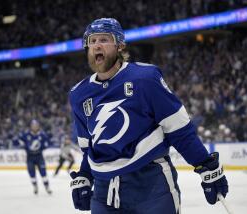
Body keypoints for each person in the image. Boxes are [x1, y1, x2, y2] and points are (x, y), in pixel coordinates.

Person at [69, 18, 228, 213]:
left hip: (151, 185)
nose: (96, 46)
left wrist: (205, 165)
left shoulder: (145, 78)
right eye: (92, 41)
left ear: (120, 45)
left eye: (103, 39)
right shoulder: (78, 94)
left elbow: (179, 130)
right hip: (104, 192)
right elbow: (90, 148)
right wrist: (85, 176)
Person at [16, 119, 52, 195]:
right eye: (33, 125)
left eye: (36, 125)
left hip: (39, 156)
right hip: (30, 157)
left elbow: (47, 143)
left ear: (38, 126)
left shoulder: (42, 135)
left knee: (43, 173)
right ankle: (35, 186)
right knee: (32, 174)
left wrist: (44, 146)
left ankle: (47, 187)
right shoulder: (26, 135)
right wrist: (22, 144)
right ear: (31, 126)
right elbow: (18, 141)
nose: (35, 127)